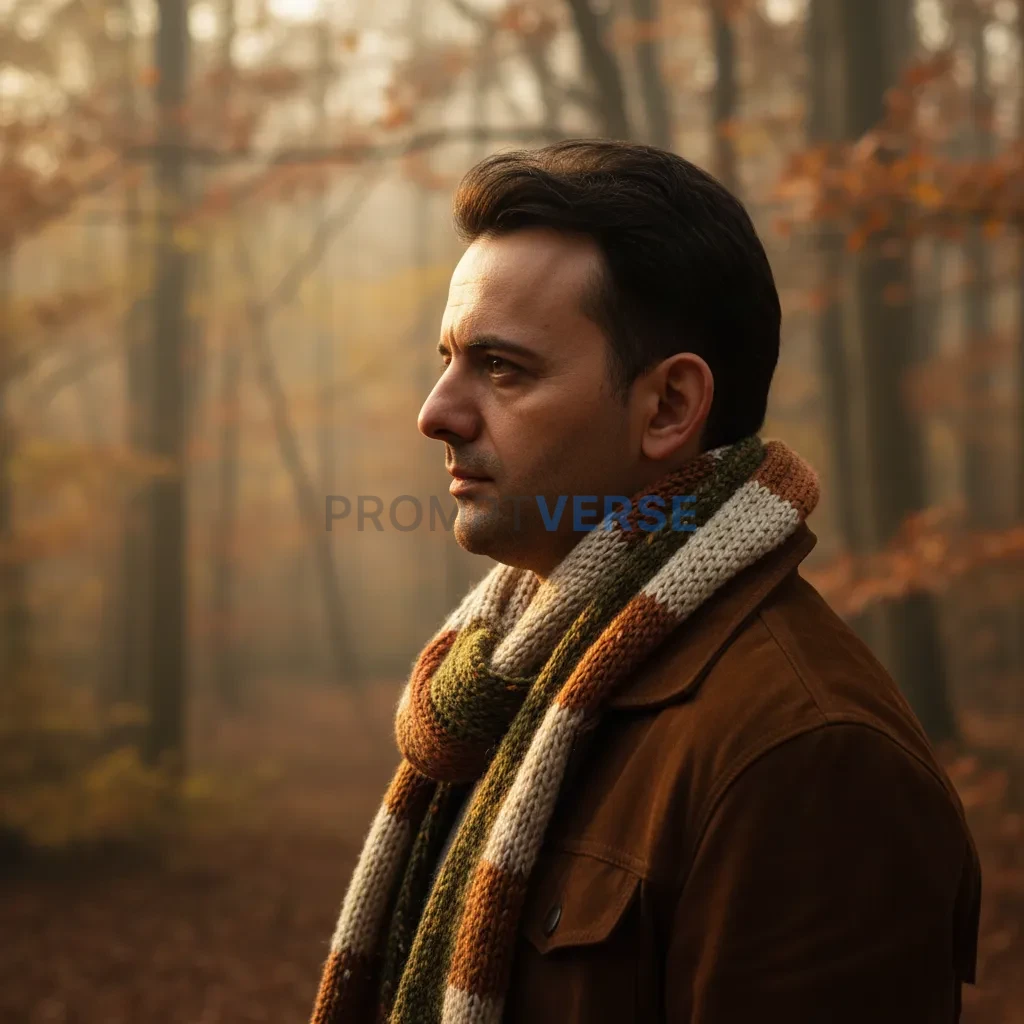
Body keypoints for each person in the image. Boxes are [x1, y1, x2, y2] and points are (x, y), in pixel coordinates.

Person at [310, 140, 981, 1024]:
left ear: (668, 407)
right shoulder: (499, 690)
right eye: (448, 358)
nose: (436, 412)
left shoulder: (809, 758)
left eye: (502, 367)